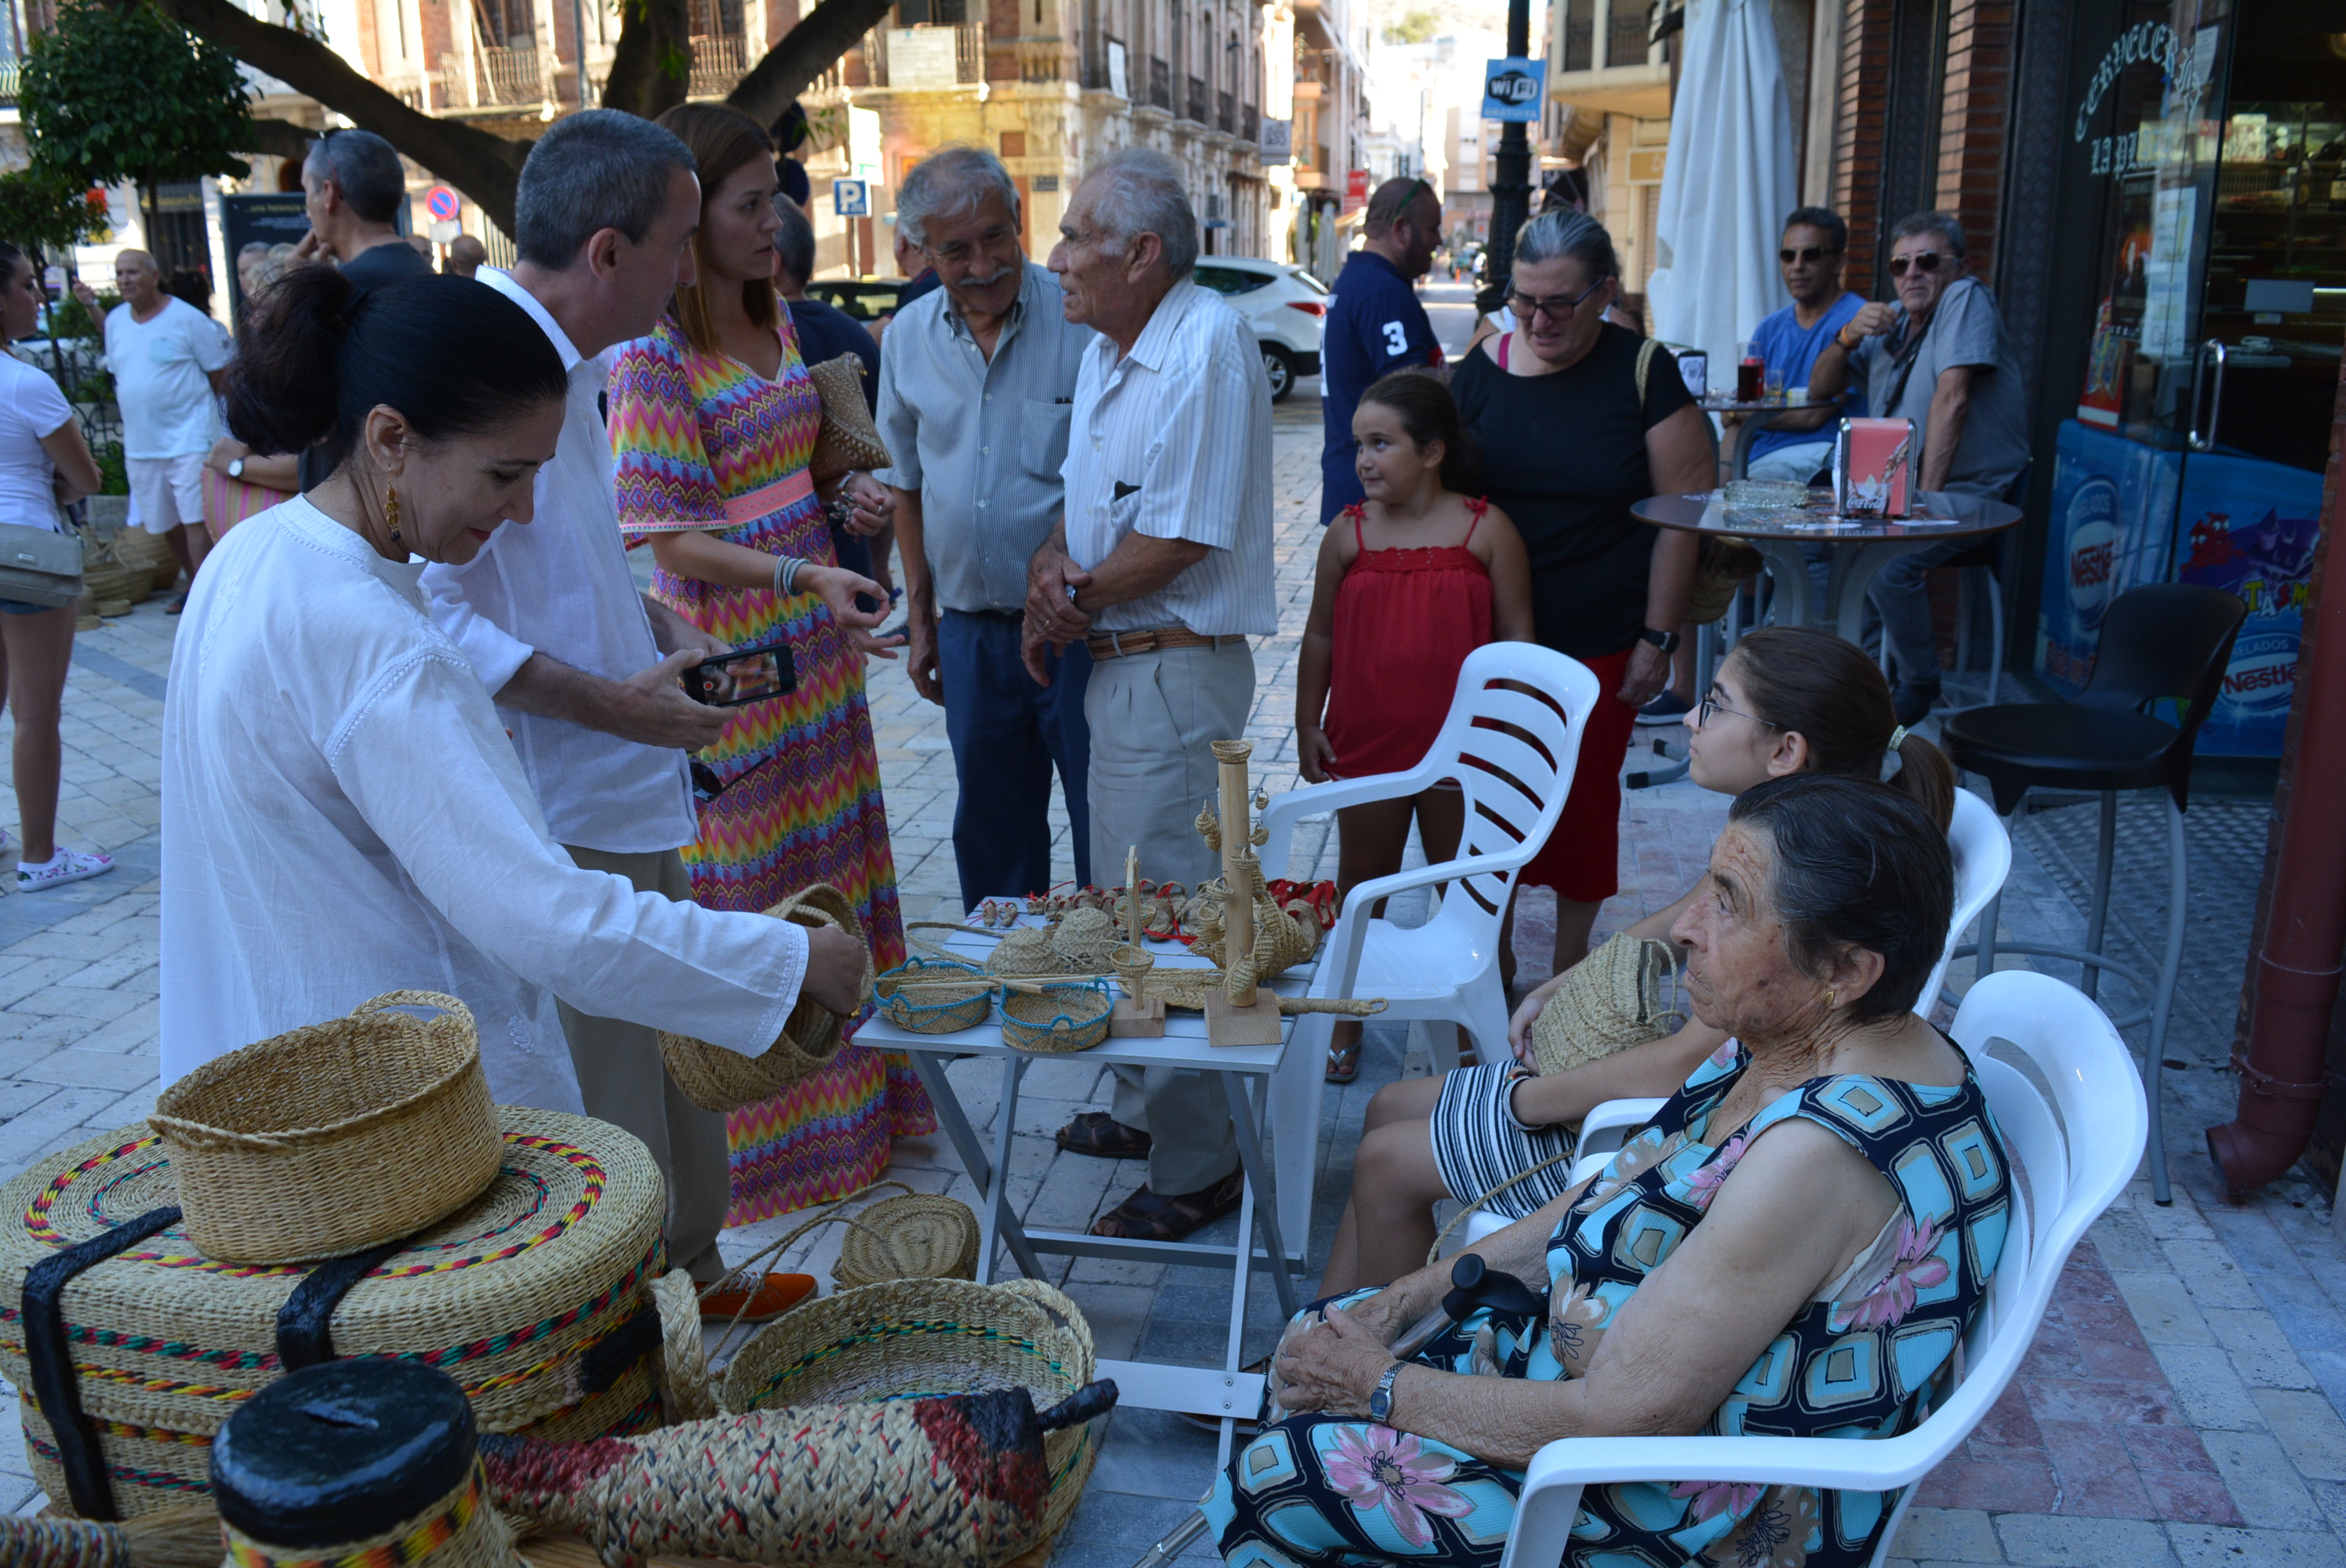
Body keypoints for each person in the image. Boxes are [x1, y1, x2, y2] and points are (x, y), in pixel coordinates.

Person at [1210, 773, 2010, 1568]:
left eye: (1727, 902)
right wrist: (1410, 1295)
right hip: (1599, 1389)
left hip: (1664, 1504)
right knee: (1329, 1331)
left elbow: (1620, 1421)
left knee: (1276, 1472)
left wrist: (1378, 1386)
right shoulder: (1789, 1031)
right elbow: (1605, 1193)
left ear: (1846, 969)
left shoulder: (1817, 1154)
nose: (1686, 926)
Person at [161, 269, 870, 1114]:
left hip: (293, 1057)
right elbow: (544, 917)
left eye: (536, 474)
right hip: (402, 1104)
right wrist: (790, 961)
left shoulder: (254, 554)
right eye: (504, 475)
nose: (526, 510)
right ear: (391, 437)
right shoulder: (376, 639)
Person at [416, 110, 783, 1312]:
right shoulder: (484, 366)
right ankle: (640, 1342)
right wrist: (606, 702)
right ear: (611, 252)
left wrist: (648, 628)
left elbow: (560, 566)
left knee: (675, 1065)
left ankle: (702, 1281)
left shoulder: (573, 372)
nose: (693, 271)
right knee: (612, 1102)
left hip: (624, 784)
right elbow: (431, 610)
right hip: (559, 797)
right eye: (681, 243)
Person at [1316, 626, 1958, 1293]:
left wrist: (1528, 1100)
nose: (1689, 718)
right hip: (1661, 1108)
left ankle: (1358, 1362)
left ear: (1784, 749)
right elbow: (1668, 923)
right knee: (1388, 1106)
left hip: (1655, 1135)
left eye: (1713, 704)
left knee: (1387, 1160)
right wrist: (1556, 987)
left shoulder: (1793, 889)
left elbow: (1683, 1066)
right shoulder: (1786, 832)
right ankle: (1317, 1339)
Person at [609, 102, 934, 1232]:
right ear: (690, 223)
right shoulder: (654, 361)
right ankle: (771, 1150)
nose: (776, 219)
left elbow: (797, 477)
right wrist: (800, 576)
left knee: (837, 857)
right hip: (731, 659)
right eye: (750, 203)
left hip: (818, 647)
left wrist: (844, 500)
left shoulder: (785, 325)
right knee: (752, 888)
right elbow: (668, 541)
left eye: (774, 196)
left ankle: (862, 1121)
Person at [1024, 147, 1276, 1243]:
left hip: (1169, 667)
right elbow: (1090, 509)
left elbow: (1179, 534)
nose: (1058, 255)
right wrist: (1053, 568)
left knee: (1170, 918)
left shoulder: (1205, 343)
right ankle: (1148, 1109)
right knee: (1132, 904)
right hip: (1128, 667)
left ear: (1144, 253)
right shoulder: (1115, 347)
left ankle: (1202, 1158)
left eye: (1078, 235)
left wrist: (1062, 602)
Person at [1451, 211, 1711, 979]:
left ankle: (1564, 976)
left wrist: (1657, 639)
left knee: (1582, 810)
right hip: (1490, 645)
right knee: (1484, 807)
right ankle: (1488, 971)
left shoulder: (1643, 370)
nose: (1537, 319)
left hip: (1602, 638)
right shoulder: (1481, 369)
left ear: (1603, 293)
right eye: (1523, 299)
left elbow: (1680, 515)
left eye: (1559, 302)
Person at [874, 145, 1096, 910]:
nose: (981, 264)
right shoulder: (904, 338)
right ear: (919, 251)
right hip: (970, 634)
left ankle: (1119, 995)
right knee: (994, 839)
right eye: (955, 249)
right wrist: (922, 620)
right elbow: (904, 485)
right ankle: (1017, 1006)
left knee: (1104, 829)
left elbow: (1114, 467)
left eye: (995, 237)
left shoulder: (1081, 319)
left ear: (1020, 222)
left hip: (1078, 632)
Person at [1298, 372, 1532, 1083]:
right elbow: (1319, 638)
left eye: (1382, 444)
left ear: (1432, 452)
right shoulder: (1348, 533)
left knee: (1476, 898)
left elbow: (1520, 646)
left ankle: (1480, 1023)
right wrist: (1308, 719)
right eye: (1358, 445)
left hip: (1467, 758)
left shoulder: (1485, 528)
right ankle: (1342, 1018)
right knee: (1358, 887)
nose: (1364, 459)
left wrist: (1518, 748)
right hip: (1369, 748)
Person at [1808, 211, 2031, 724]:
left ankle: (1918, 679)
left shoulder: (1965, 299)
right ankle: (1855, 676)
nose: (1913, 274)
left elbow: (1952, 399)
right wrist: (1843, 338)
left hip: (1970, 494)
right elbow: (1820, 390)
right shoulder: (1890, 323)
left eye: (1928, 261)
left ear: (1959, 266)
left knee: (1888, 560)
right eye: (1900, 265)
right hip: (1886, 496)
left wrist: (1917, 509)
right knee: (1815, 541)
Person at [0, 242, 111, 890]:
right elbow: (84, 476)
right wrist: (52, 495)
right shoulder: (26, 383)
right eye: (23, 285)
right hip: (25, 556)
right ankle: (40, 857)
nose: (35, 296)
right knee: (36, 714)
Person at [74, 250, 225, 613]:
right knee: (163, 523)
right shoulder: (114, 321)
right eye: (119, 273)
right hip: (142, 444)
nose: (125, 280)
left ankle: (210, 602)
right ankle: (194, 588)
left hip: (189, 439)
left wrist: (212, 425)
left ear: (153, 276)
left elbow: (219, 374)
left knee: (194, 521)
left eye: (132, 272)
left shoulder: (188, 319)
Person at [773, 198, 889, 600]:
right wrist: (880, 564)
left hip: (790, 572)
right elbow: (876, 463)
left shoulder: (772, 337)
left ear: (772, 259)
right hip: (848, 557)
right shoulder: (857, 335)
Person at [1318, 177, 1446, 525]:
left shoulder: (1360, 280)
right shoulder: (1381, 292)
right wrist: (1483, 369)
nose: (1439, 240)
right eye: (1433, 228)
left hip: (1361, 488)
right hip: (1379, 501)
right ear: (1401, 229)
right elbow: (1410, 389)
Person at [1738, 207, 1867, 485]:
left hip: (1821, 459)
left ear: (1839, 261)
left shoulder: (1858, 321)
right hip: (1757, 457)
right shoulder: (1769, 327)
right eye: (1788, 256)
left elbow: (1812, 417)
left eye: (1812, 254)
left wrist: (1746, 415)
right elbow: (1741, 412)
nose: (1797, 265)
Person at [295, 131, 434, 291]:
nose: (308, 213)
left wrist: (298, 292)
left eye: (307, 191)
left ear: (329, 194)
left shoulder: (334, 295)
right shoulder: (433, 276)